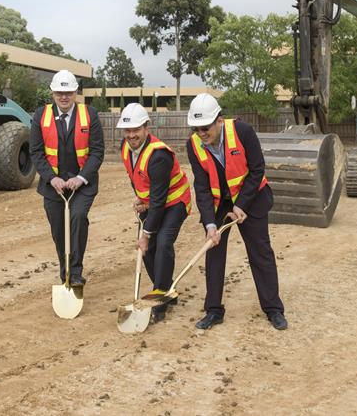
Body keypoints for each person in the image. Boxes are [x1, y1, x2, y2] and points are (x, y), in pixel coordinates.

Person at [185, 93, 287, 331]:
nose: (201, 134)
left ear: (219, 120)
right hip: (221, 203)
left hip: (252, 198)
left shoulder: (242, 132)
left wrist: (241, 205)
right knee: (214, 252)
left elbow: (257, 169)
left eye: (205, 128)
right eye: (196, 129)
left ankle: (273, 309)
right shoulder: (194, 145)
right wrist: (210, 224)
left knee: (260, 252)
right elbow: (201, 186)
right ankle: (213, 310)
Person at [29, 70, 105, 288]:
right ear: (52, 93)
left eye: (69, 93)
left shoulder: (90, 114)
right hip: (54, 186)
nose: (64, 97)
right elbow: (36, 152)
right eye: (60, 92)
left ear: (75, 93)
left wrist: (81, 178)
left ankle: (76, 273)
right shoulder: (40, 115)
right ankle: (66, 274)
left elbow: (98, 152)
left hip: (82, 184)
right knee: (58, 229)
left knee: (78, 218)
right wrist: (51, 178)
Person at [117, 103, 191, 323]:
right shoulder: (125, 147)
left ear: (146, 127)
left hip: (175, 201)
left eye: (136, 130)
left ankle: (159, 297)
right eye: (128, 131)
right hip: (154, 203)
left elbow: (159, 202)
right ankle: (166, 290)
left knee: (162, 242)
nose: (131, 135)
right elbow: (136, 178)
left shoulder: (159, 156)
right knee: (147, 251)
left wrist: (147, 233)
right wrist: (141, 200)